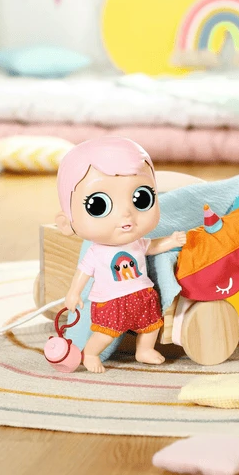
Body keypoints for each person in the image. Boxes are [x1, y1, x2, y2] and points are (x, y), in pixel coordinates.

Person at [55, 137, 186, 373]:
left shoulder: (137, 242)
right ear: (67, 223)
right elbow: (83, 272)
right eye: (99, 205)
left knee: (151, 325)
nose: (126, 213)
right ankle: (91, 353)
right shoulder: (96, 251)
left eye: (141, 198)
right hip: (111, 301)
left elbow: (151, 247)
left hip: (142, 294)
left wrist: (171, 241)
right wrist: (73, 292)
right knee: (105, 333)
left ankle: (144, 350)